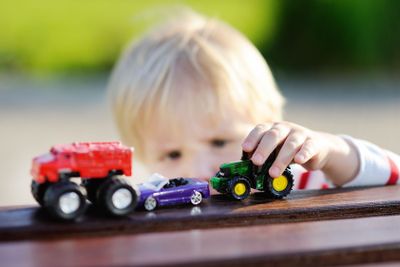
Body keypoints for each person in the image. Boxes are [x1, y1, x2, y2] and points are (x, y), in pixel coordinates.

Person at [107, 10, 399, 190]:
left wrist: (333, 153)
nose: (198, 171)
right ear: (144, 158)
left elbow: (393, 177)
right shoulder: (154, 197)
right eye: (171, 154)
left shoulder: (300, 181)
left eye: (219, 142)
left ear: (270, 126)